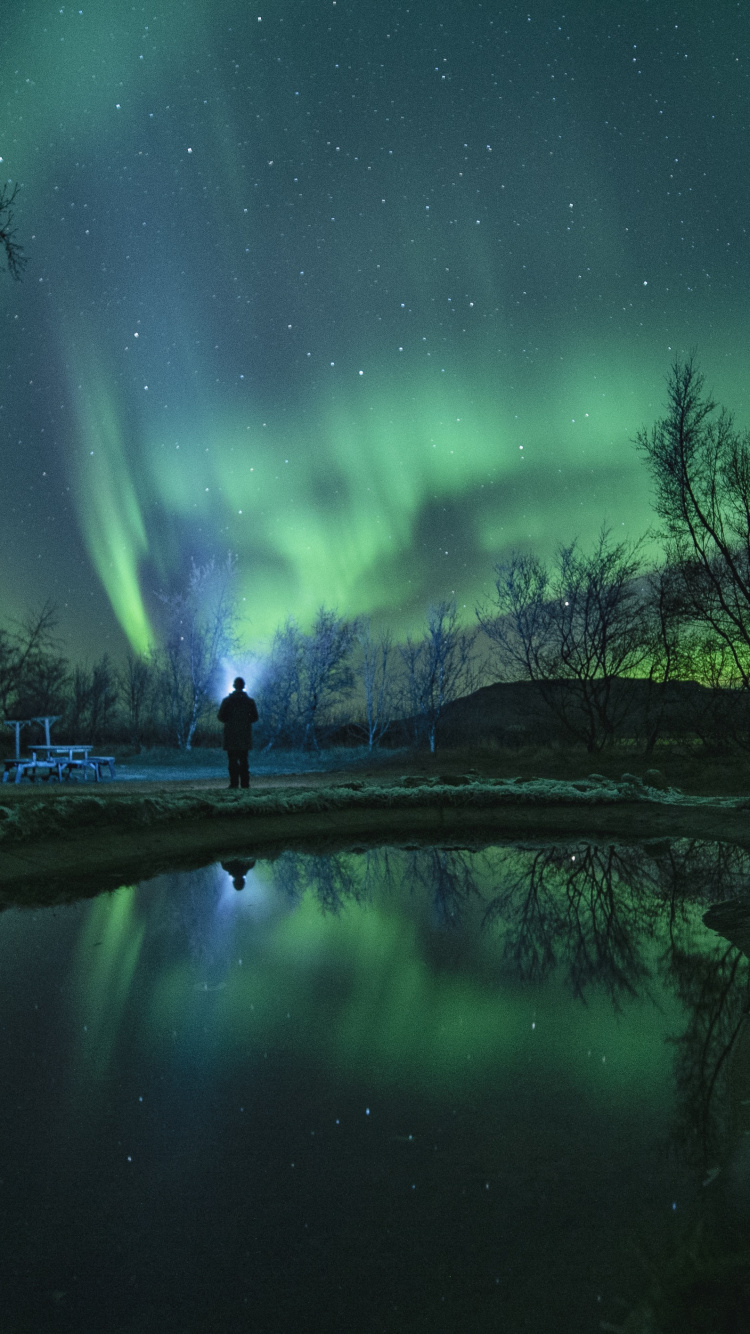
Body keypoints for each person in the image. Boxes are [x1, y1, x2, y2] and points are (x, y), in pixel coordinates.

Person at [217, 677, 259, 789]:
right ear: (244, 686)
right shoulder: (250, 702)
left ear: (234, 686)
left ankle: (234, 784)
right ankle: (245, 784)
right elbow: (255, 717)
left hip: (231, 736)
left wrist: (230, 722)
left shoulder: (227, 701)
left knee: (232, 761)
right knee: (244, 760)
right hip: (244, 735)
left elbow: (220, 716)